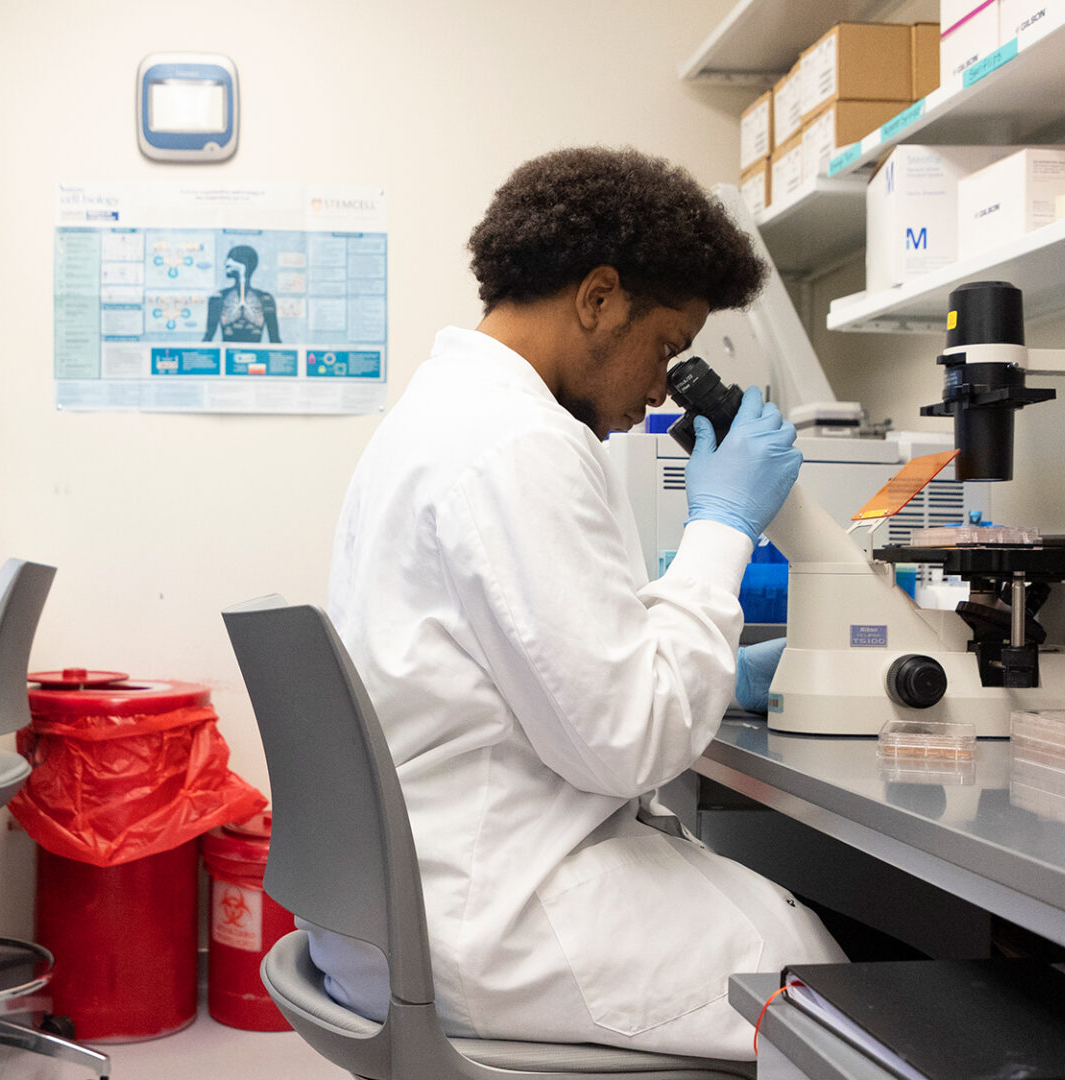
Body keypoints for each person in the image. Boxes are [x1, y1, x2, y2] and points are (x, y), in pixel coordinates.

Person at [314, 146, 846, 1060]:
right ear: (599, 298)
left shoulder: (445, 414)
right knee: (828, 995)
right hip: (491, 921)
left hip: (408, 901)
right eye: (667, 348)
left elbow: (548, 644)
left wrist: (727, 665)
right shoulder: (516, 442)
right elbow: (629, 743)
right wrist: (722, 528)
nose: (658, 387)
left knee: (767, 915)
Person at [203, 244, 281, 343]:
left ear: (243, 264)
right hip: (227, 355)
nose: (226, 263)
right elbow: (208, 338)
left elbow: (275, 340)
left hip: (255, 356)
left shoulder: (265, 299)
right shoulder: (218, 298)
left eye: (231, 260)